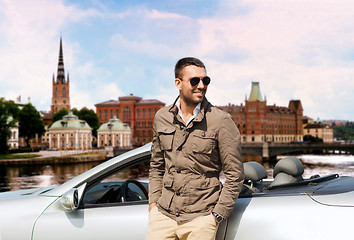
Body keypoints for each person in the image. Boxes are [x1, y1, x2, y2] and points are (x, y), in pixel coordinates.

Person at [146, 57, 244, 240]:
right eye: (194, 80)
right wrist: (153, 204)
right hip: (163, 216)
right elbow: (157, 166)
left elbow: (235, 174)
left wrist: (216, 216)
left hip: (201, 218)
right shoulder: (162, 117)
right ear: (178, 83)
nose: (201, 85)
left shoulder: (221, 121)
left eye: (205, 80)